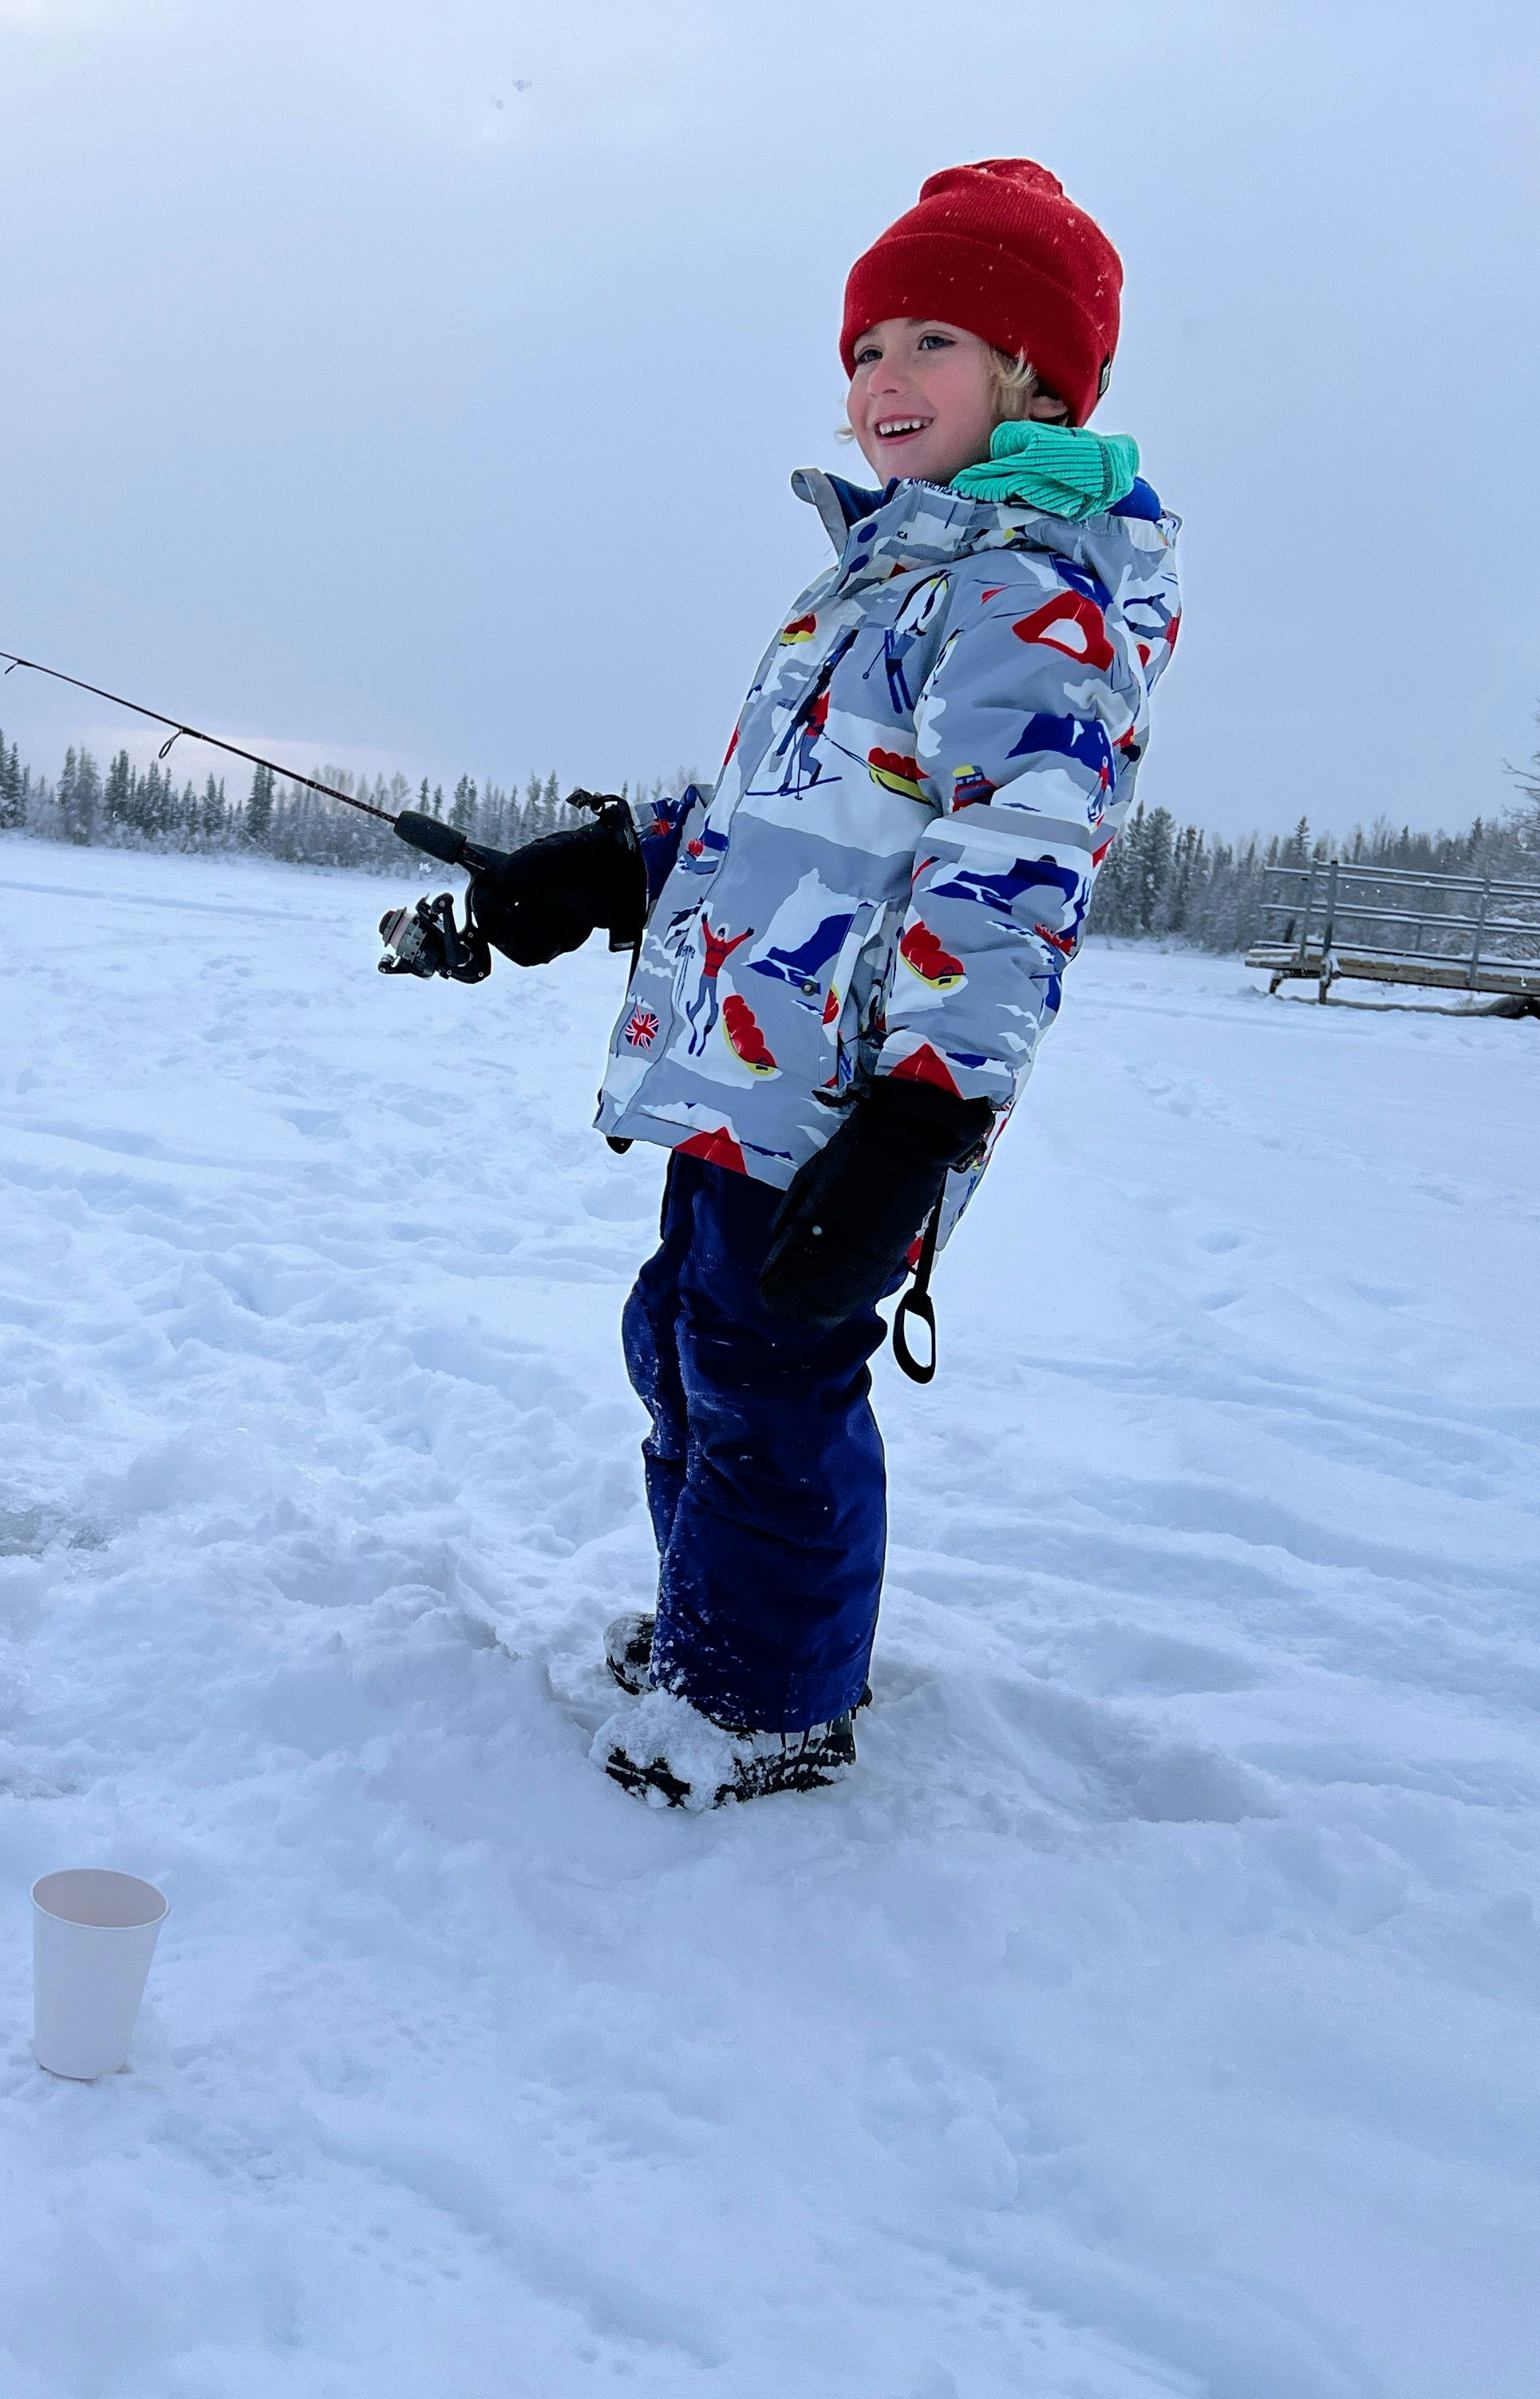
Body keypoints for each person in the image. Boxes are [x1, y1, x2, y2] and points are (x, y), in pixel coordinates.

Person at [464, 159, 1183, 1808]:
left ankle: (769, 1705)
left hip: (857, 1099)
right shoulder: (877, 581)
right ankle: (719, 1634)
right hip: (743, 1063)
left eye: (934, 340)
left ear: (1037, 381)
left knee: (770, 1383)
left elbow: (1016, 863)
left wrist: (924, 1117)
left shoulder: (1027, 593)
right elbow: (780, 824)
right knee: (689, 1349)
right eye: (865, 349)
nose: (882, 381)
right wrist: (602, 866)